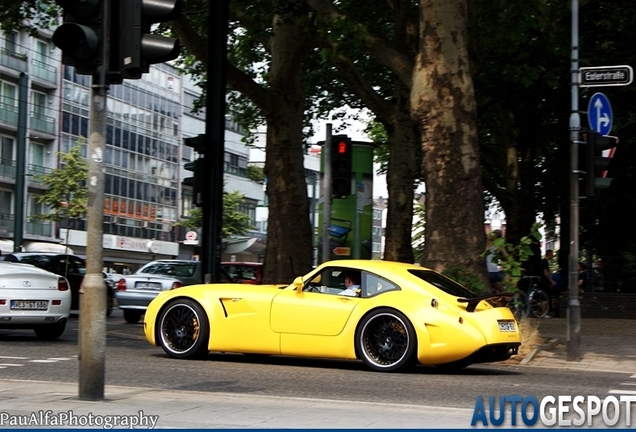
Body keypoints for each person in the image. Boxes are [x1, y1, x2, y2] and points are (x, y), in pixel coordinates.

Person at [486, 230, 506, 294]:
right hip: (494, 272)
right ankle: (505, 294)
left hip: (488, 271)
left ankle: (500, 292)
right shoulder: (498, 245)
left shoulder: (484, 244)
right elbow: (506, 256)